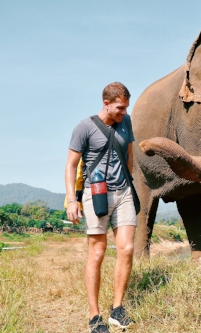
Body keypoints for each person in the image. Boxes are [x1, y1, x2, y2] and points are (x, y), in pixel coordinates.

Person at [65, 82, 136, 333]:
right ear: (106, 104)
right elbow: (71, 165)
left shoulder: (126, 123)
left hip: (124, 191)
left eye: (126, 107)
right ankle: (95, 316)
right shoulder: (84, 127)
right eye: (120, 108)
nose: (124, 112)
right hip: (96, 193)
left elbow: (129, 155)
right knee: (97, 252)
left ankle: (117, 309)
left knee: (126, 249)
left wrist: (131, 181)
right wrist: (72, 200)